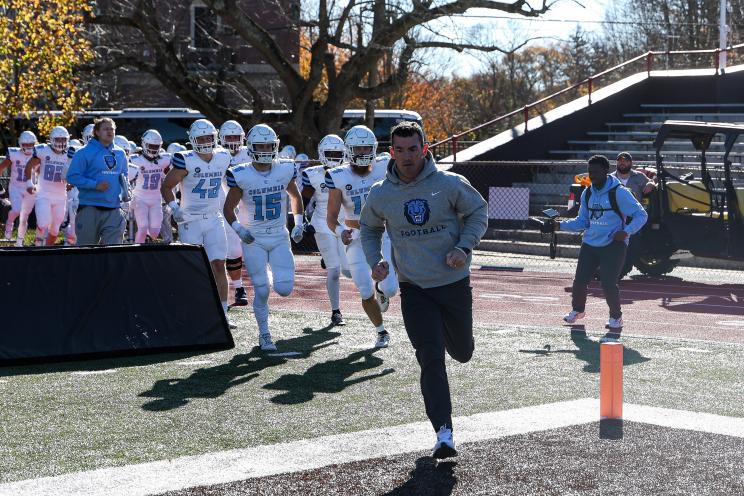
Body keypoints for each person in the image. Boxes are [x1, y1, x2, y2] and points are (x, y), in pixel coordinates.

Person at [360, 120, 488, 459]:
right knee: (430, 357)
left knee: (462, 352)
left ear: (424, 149)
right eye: (399, 150)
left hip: (453, 283)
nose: (406, 156)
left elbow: (478, 212)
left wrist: (463, 247)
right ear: (391, 152)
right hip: (414, 287)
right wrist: (375, 259)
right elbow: (369, 229)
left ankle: (447, 334)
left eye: (412, 149)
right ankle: (443, 433)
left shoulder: (449, 183)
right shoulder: (381, 193)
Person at [223, 123, 305, 351]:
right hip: (254, 239)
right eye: (261, 145)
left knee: (285, 288)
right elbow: (228, 209)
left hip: (279, 236)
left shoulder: (284, 169)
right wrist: (240, 230)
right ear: (251, 147)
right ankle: (264, 334)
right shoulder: (241, 174)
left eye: (270, 145)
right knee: (261, 290)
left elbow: (296, 197)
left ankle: (267, 275)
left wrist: (299, 223)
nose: (266, 149)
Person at [553, 154, 648, 333]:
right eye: (590, 172)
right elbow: (582, 222)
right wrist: (559, 225)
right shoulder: (588, 192)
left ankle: (616, 317)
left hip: (614, 244)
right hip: (590, 244)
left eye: (596, 172)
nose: (592, 175)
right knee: (579, 281)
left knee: (608, 283)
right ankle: (578, 310)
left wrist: (626, 231)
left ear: (606, 171)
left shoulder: (619, 192)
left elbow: (642, 215)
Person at [326, 125, 398, 349]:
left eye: (367, 148)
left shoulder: (384, 166)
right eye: (358, 148)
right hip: (356, 237)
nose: (363, 153)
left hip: (382, 234)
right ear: (349, 150)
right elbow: (330, 217)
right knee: (364, 290)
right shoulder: (338, 176)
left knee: (390, 289)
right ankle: (381, 331)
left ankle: (382, 289)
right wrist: (340, 232)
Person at [161, 119, 233, 327]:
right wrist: (175, 209)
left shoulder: (223, 156)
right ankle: (192, 310)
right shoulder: (186, 159)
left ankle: (223, 313)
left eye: (208, 137)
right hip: (190, 220)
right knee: (193, 267)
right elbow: (167, 186)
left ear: (215, 137)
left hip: (213, 218)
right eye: (201, 138)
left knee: (219, 264)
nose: (205, 141)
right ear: (193, 139)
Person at [301, 134, 351, 326]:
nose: (333, 156)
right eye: (329, 153)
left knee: (349, 272)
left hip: (345, 225)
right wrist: (301, 221)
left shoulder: (349, 171)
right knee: (334, 270)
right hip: (323, 224)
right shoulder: (313, 174)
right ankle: (336, 311)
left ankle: (327, 255)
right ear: (322, 154)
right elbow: (304, 199)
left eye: (336, 152)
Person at [66, 117, 129, 245]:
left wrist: (126, 192)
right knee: (86, 254)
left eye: (112, 129)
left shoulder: (120, 153)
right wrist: (95, 185)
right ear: (97, 132)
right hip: (89, 208)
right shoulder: (83, 153)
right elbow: (72, 176)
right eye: (106, 129)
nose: (110, 132)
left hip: (114, 210)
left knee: (113, 251)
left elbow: (124, 176)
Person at [218, 120, 252, 307]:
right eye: (228, 136)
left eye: (235, 136)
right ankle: (239, 288)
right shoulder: (216, 155)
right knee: (234, 250)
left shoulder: (250, 152)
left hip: (250, 206)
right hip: (226, 207)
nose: (232, 140)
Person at [24, 126, 72, 246]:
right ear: (51, 139)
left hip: (61, 196)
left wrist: (71, 183)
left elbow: (74, 173)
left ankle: (47, 250)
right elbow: (29, 166)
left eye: (63, 139)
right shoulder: (43, 150)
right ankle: (38, 245)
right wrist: (29, 183)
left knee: (55, 228)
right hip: (43, 194)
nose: (61, 142)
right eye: (58, 139)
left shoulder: (70, 154)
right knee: (43, 223)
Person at [611, 152, 655, 278]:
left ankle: (621, 266)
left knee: (632, 244)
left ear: (630, 163)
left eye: (625, 161)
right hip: (614, 216)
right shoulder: (610, 178)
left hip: (633, 217)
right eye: (620, 160)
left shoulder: (639, 177)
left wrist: (650, 184)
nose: (622, 163)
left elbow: (652, 180)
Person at [129, 130, 170, 243]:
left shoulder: (165, 160)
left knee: (154, 233)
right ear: (144, 144)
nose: (153, 149)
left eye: (156, 146)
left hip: (156, 200)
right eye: (151, 145)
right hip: (139, 199)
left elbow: (171, 173)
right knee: (142, 228)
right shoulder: (135, 160)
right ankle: (137, 251)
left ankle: (146, 240)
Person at [0, 131, 38, 245]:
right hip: (16, 187)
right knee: (16, 210)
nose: (28, 147)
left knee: (24, 216)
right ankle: (9, 222)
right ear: (20, 144)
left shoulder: (38, 155)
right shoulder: (14, 154)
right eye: (25, 144)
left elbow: (41, 172)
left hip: (30, 188)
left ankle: (19, 242)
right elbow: (1, 167)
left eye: (30, 144)